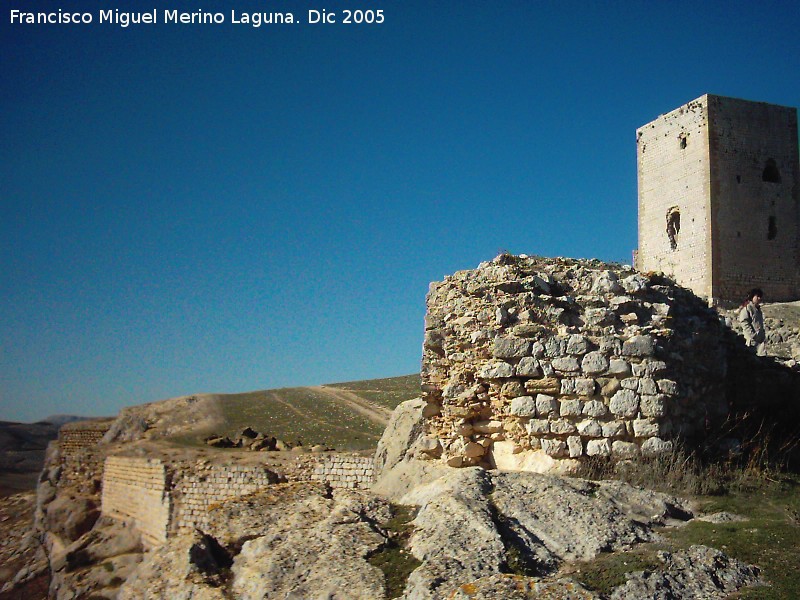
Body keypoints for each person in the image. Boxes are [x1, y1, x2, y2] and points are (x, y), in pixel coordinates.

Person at [738, 288, 766, 355]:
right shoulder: (747, 308)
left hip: (759, 341)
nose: (759, 298)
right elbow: (744, 322)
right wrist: (752, 335)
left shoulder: (758, 310)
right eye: (757, 296)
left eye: (760, 297)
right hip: (751, 340)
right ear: (752, 297)